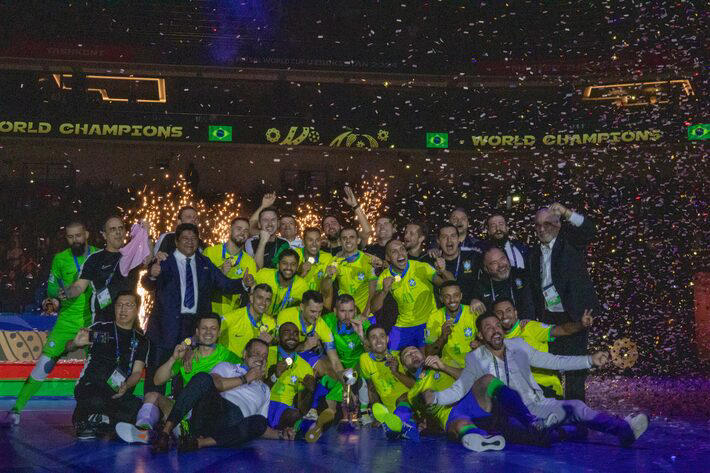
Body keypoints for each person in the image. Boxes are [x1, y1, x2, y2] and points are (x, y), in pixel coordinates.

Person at [430, 313, 649, 447]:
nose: (494, 330)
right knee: (537, 435)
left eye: (497, 325)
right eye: (488, 328)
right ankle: (552, 430)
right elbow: (461, 387)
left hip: (540, 404)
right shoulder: (475, 357)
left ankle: (624, 431)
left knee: (578, 407)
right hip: (511, 415)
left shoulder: (519, 346)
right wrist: (436, 397)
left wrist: (589, 360)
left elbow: (553, 361)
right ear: (480, 335)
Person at [2, 222, 97, 426]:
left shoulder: (99, 255)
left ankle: (94, 415)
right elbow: (52, 289)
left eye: (78, 236)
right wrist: (53, 299)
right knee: (44, 365)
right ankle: (17, 410)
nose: (75, 240)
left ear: (87, 234)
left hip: (93, 323)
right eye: (70, 237)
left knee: (96, 371)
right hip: (65, 322)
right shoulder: (60, 259)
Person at [142, 223, 249, 395]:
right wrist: (153, 274)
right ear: (176, 242)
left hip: (192, 330)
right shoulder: (164, 261)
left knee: (184, 376)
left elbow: (224, 283)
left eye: (194, 239)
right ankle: (148, 415)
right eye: (185, 238)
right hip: (164, 328)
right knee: (157, 376)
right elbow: (147, 284)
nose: (190, 242)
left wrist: (244, 283)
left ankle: (178, 415)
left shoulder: (204, 263)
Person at [115, 313, 241, 444]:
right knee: (153, 395)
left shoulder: (228, 356)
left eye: (213, 328)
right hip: (184, 412)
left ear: (219, 332)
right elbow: (157, 380)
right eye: (204, 328)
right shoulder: (187, 356)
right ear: (197, 332)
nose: (208, 332)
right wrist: (173, 358)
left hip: (207, 413)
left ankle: (171, 433)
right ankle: (143, 430)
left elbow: (246, 374)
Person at [151, 338, 276, 453]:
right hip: (213, 411)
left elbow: (259, 427)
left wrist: (281, 434)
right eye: (257, 353)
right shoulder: (228, 367)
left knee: (260, 421)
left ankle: (199, 442)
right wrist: (246, 378)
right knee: (203, 377)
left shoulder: (265, 389)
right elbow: (216, 383)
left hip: (233, 427)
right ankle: (165, 433)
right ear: (245, 354)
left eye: (265, 356)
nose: (261, 359)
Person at [529, 203, 599, 401]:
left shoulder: (569, 241)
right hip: (549, 318)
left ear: (558, 224)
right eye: (538, 225)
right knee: (551, 367)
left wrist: (567, 212)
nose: (542, 229)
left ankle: (576, 418)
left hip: (575, 314)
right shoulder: (533, 254)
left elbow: (589, 230)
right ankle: (557, 414)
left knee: (575, 371)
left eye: (547, 224)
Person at [68, 291, 149, 440]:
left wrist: (126, 386)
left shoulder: (141, 340)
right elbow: (70, 346)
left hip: (119, 390)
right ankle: (95, 420)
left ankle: (99, 421)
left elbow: (137, 372)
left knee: (139, 408)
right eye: (119, 305)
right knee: (96, 400)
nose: (123, 309)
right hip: (92, 386)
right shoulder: (102, 329)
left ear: (137, 309)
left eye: (128, 305)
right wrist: (75, 344)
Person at [493, 298, 593, 399]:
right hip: (521, 394)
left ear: (515, 313)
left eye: (508, 311)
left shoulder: (529, 327)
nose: (504, 316)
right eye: (499, 313)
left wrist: (580, 324)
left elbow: (562, 330)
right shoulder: (496, 341)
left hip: (547, 390)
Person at [61, 216, 145, 323]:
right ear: (105, 235)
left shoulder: (133, 255)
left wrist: (146, 234)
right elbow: (79, 286)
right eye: (113, 229)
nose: (118, 232)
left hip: (129, 323)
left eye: (121, 228)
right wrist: (68, 292)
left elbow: (148, 259)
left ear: (124, 232)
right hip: (103, 322)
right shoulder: (95, 259)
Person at [372, 240, 453, 350]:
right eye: (394, 251)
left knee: (425, 358)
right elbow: (374, 307)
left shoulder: (421, 267)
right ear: (388, 257)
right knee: (391, 356)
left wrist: (443, 271)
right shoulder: (384, 276)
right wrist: (384, 291)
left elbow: (449, 286)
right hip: (403, 324)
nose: (400, 254)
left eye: (402, 249)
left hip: (428, 321)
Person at [265, 322, 320, 439]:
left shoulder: (305, 367)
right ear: (278, 336)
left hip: (284, 411)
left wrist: (309, 391)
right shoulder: (267, 353)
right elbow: (256, 385)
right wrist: (274, 375)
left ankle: (283, 430)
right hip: (263, 401)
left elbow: (303, 408)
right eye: (287, 332)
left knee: (295, 414)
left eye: (295, 334)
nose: (292, 336)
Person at [203, 217, 258, 315]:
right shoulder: (210, 252)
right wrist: (220, 273)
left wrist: (249, 284)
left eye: (246, 231)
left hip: (231, 316)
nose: (242, 233)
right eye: (239, 229)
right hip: (208, 313)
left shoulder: (249, 262)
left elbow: (250, 292)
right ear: (230, 230)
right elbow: (201, 284)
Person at [321, 227, 377, 315]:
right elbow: (324, 290)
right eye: (344, 238)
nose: (348, 240)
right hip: (344, 315)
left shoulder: (368, 260)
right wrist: (328, 277)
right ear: (340, 242)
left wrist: (364, 315)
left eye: (351, 237)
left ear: (358, 240)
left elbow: (373, 292)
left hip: (365, 314)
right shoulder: (335, 260)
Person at [424, 280, 479, 368]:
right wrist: (443, 337)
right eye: (447, 297)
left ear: (461, 296)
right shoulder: (434, 318)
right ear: (441, 299)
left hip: (475, 364)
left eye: (456, 295)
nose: (452, 300)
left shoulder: (473, 312)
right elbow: (429, 353)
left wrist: (479, 344)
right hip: (449, 367)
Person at [471, 247, 534, 319]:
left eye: (502, 259)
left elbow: (530, 307)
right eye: (494, 263)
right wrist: (474, 300)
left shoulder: (523, 276)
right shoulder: (481, 286)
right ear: (486, 269)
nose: (501, 265)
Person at [426, 225, 481, 305]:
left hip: (470, 309)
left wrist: (476, 298)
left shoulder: (474, 256)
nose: (449, 240)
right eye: (444, 237)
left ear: (459, 239)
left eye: (453, 236)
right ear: (438, 241)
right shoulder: (431, 261)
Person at [220, 284, 276, 357]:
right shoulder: (232, 317)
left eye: (267, 300)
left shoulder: (271, 323)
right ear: (251, 298)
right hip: (228, 364)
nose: (264, 303)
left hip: (252, 365)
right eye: (260, 298)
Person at [252, 248, 309, 318]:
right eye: (284, 263)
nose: (289, 267)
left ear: (297, 267)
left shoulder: (302, 286)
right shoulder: (264, 274)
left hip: (283, 325)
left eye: (293, 264)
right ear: (278, 265)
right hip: (258, 319)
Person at [321, 186, 372, 255]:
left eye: (333, 223)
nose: (330, 226)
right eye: (326, 224)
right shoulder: (321, 250)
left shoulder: (351, 244)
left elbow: (367, 231)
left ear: (340, 226)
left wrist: (355, 205)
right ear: (324, 231)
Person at [246, 204, 291, 270]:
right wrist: (262, 242)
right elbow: (255, 269)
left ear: (278, 223)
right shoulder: (250, 242)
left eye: (273, 220)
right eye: (265, 220)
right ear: (259, 224)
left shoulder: (284, 244)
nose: (269, 224)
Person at [298, 227, 334, 292]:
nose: (314, 244)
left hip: (317, 300)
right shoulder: (295, 254)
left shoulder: (327, 258)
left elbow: (327, 290)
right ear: (303, 242)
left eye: (317, 240)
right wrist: (301, 274)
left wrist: (328, 278)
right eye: (310, 240)